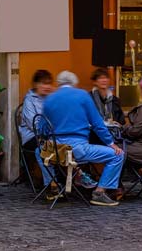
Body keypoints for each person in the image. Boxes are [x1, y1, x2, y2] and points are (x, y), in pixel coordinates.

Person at [39, 70, 125, 207]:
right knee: (117, 156)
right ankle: (99, 192)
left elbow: (42, 128)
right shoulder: (83, 95)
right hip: (77, 149)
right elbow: (98, 124)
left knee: (40, 152)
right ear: (74, 83)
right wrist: (111, 143)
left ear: (59, 83)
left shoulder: (50, 98)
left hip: (55, 150)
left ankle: (55, 187)